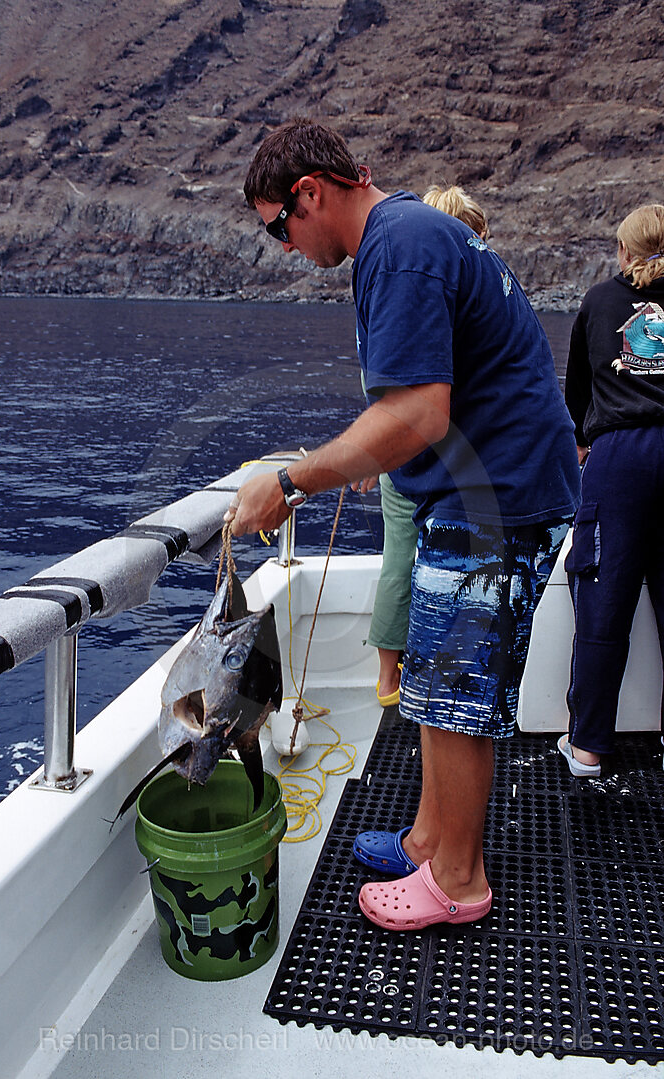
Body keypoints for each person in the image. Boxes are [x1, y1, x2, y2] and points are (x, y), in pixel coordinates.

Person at [226, 118, 580, 929]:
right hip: (485, 487)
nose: (284, 247)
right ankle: (427, 839)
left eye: (279, 225)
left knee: (455, 692)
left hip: (497, 493)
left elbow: (417, 412)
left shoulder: (400, 246)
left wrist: (287, 482)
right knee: (430, 684)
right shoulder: (410, 231)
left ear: (310, 193)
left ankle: (455, 880)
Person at [362, 184, 492, 708]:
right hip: (451, 465)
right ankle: (445, 678)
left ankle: (389, 681)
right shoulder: (462, 289)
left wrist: (373, 450)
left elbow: (391, 379)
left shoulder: (403, 286)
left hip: (401, 460)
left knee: (399, 559)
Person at [561, 204, 664, 777]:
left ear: (624, 252)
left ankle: (589, 748)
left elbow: (576, 395)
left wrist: (582, 446)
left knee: (603, 605)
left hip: (619, 457)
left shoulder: (601, 301)